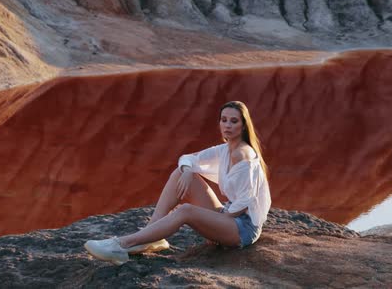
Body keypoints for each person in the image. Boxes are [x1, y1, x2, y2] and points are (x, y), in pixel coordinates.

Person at [84, 101, 271, 265]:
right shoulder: (225, 149)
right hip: (229, 215)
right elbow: (188, 158)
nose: (227, 125)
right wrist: (188, 170)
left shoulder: (242, 155)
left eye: (234, 121)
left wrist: (216, 223)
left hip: (242, 228)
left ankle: (122, 245)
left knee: (185, 211)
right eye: (224, 120)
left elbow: (244, 202)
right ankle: (151, 234)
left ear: (244, 126)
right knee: (179, 174)